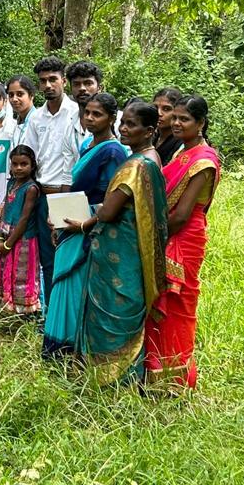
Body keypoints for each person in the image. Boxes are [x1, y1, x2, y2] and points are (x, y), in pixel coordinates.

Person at [44, 101, 168, 384]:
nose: (124, 129)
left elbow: (109, 211)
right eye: (124, 123)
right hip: (128, 246)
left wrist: (83, 224)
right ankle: (121, 373)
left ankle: (111, 375)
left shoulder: (136, 166)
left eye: (131, 125)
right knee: (123, 306)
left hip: (120, 247)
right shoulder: (149, 158)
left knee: (114, 307)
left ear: (149, 130)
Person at [145, 95, 220, 389]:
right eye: (174, 117)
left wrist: (150, 233)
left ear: (200, 123)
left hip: (183, 237)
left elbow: (182, 214)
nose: (176, 123)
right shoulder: (181, 154)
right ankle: (153, 370)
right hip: (167, 232)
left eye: (184, 119)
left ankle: (175, 377)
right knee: (158, 301)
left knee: (178, 305)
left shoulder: (203, 161)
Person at [42, 93, 128, 349]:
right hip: (71, 217)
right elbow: (74, 185)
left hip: (91, 224)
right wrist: (55, 216)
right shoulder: (87, 144)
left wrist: (83, 225)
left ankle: (72, 344)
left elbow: (113, 198)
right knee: (62, 281)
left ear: (112, 118)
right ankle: (56, 343)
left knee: (76, 282)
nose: (89, 118)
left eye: (97, 114)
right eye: (87, 113)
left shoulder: (114, 151)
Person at [22, 57, 80, 298]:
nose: (48, 85)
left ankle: (69, 316)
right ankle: (50, 315)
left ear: (63, 81)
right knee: (47, 258)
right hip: (43, 194)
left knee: (70, 257)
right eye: (43, 81)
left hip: (70, 194)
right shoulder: (36, 117)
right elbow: (29, 157)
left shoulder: (77, 113)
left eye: (53, 79)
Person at [0, 145, 43, 314]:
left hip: (22, 239)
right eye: (15, 164)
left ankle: (24, 311)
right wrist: (0, 236)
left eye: (24, 164)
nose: (19, 168)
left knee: (20, 275)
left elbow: (24, 219)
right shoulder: (12, 183)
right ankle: (7, 306)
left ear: (32, 165)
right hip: (8, 235)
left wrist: (8, 244)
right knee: (7, 271)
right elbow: (6, 206)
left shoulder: (31, 189)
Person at [153, 87, 183, 166]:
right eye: (155, 107)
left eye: (166, 109)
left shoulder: (180, 143)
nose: (159, 113)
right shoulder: (152, 136)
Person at [6, 75, 36, 148]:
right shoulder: (16, 123)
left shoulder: (38, 121)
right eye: (11, 95)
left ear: (31, 95)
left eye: (20, 94)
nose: (14, 99)